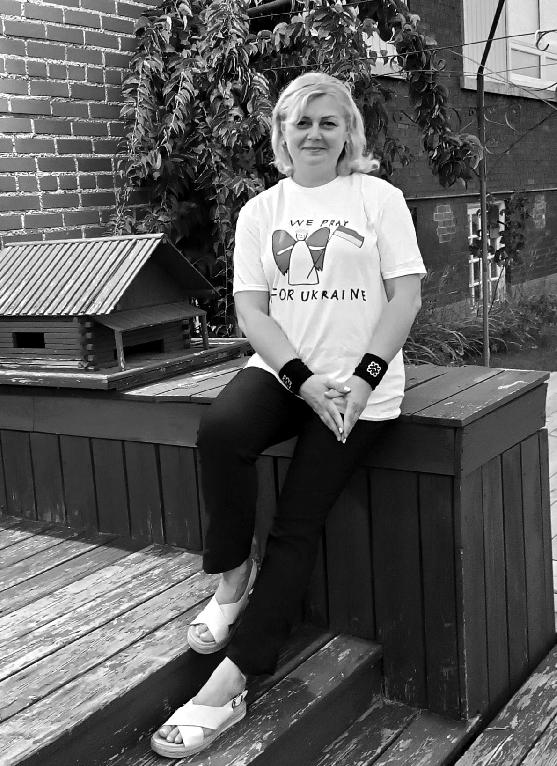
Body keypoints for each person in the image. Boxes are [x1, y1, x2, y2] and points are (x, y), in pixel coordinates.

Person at [151, 71, 426, 759]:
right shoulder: (261, 210)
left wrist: (361, 380)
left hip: (361, 389)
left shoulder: (379, 199)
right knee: (221, 432)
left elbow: (405, 298)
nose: (314, 133)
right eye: (301, 122)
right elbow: (252, 311)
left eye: (328, 122)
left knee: (297, 522)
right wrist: (301, 381)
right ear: (281, 133)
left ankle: (232, 681)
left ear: (348, 132)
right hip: (287, 373)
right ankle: (230, 581)